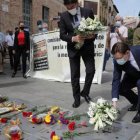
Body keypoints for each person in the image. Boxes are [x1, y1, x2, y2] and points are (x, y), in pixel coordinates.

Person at [60, 0, 96, 108]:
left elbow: (94, 30)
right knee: (75, 75)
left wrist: (92, 36)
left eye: (71, 7)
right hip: (73, 49)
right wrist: (73, 38)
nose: (69, 9)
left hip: (87, 47)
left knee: (91, 70)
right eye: (67, 7)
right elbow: (62, 35)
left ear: (76, 4)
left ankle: (85, 92)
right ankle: (76, 98)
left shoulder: (88, 12)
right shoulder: (64, 16)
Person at [111, 42, 140, 123]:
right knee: (122, 88)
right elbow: (116, 79)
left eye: (119, 58)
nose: (118, 61)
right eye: (116, 58)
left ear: (127, 53)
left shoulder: (138, 51)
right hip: (133, 74)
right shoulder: (117, 60)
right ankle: (136, 102)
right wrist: (114, 102)